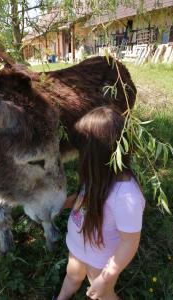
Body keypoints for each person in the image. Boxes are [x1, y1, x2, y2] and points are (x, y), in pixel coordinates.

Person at [54, 106, 145, 300]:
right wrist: (62, 204)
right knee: (72, 276)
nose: (80, 159)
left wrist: (107, 276)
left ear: (98, 156)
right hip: (78, 246)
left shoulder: (127, 197)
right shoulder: (98, 174)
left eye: (83, 153)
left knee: (103, 295)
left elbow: (130, 242)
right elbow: (82, 197)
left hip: (101, 260)